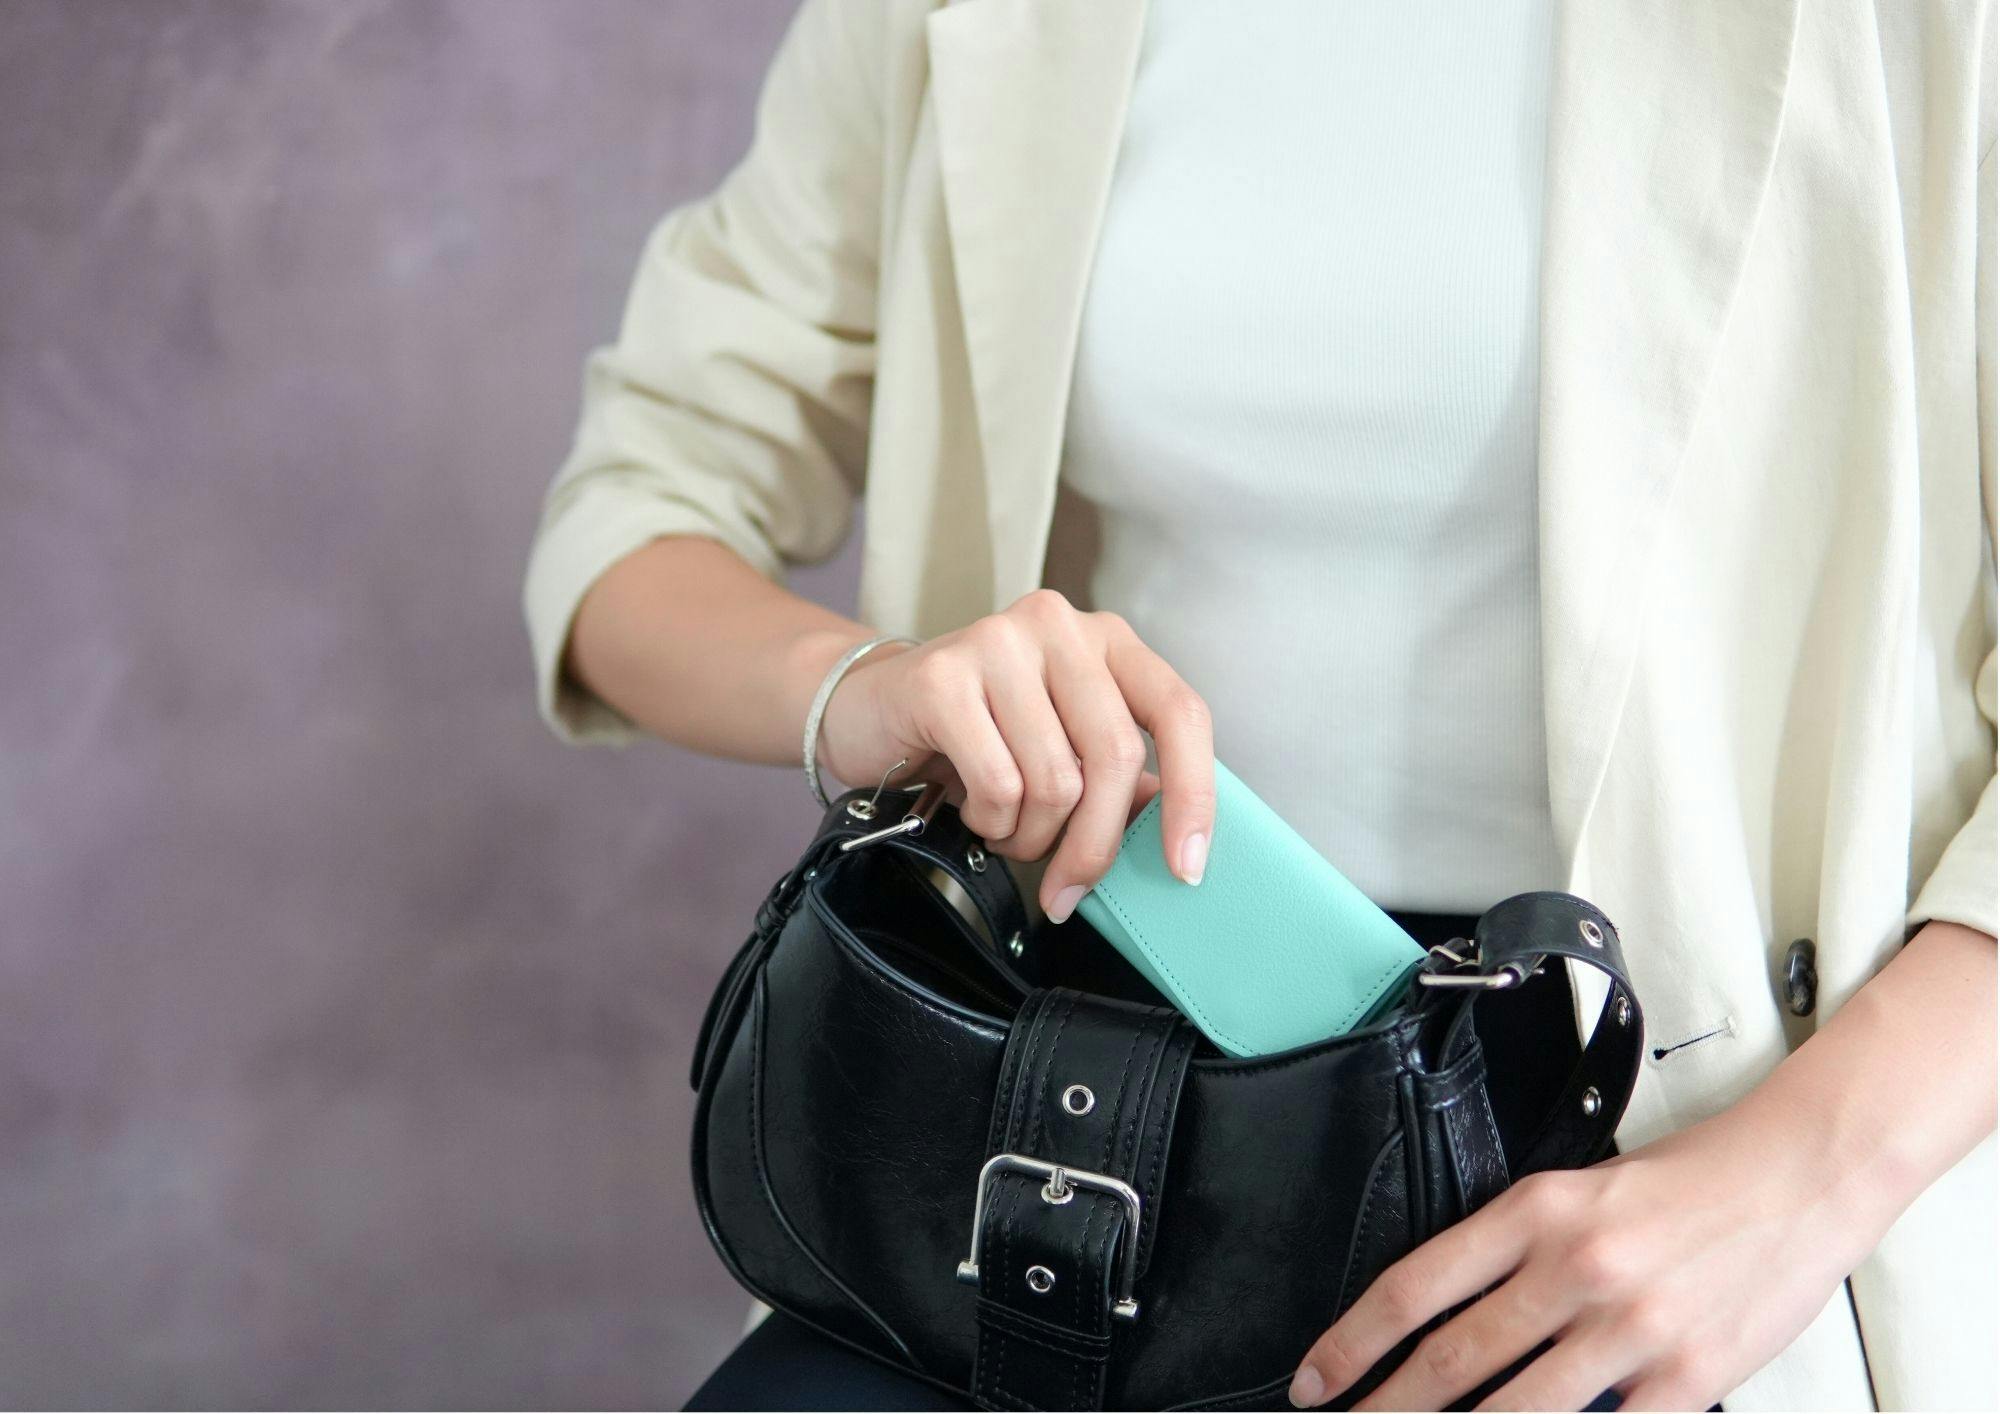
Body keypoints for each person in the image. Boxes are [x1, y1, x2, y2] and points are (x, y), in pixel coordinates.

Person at [523, 1, 1997, 1408]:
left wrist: (1801, 1181)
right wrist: (865, 689)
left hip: (1670, 1156)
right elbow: (635, 512)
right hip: (1079, 1103)